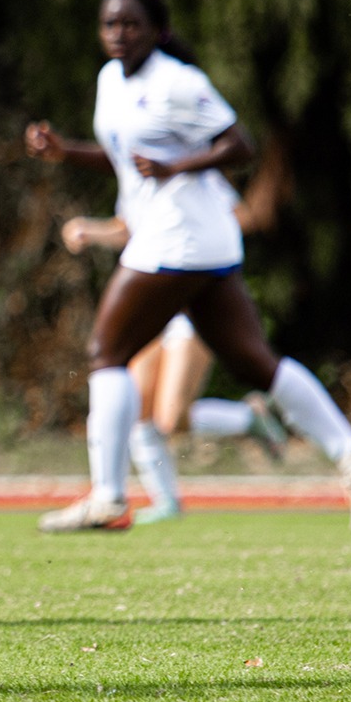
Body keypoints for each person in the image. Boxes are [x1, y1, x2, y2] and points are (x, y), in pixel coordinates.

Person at [25, 0, 351, 535]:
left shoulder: (178, 81)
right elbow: (127, 159)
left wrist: (178, 168)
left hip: (180, 238)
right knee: (253, 363)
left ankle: (108, 496)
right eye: (110, 25)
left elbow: (239, 145)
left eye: (132, 25)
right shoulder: (110, 81)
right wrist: (66, 151)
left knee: (107, 352)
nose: (119, 34)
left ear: (159, 31)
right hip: (199, 245)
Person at [59, 203, 289, 524]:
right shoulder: (139, 170)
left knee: (170, 419)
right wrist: (91, 230)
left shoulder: (196, 175)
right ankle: (166, 502)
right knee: (140, 409)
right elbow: (128, 227)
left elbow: (247, 215)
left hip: (194, 308)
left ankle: (247, 418)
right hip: (151, 306)